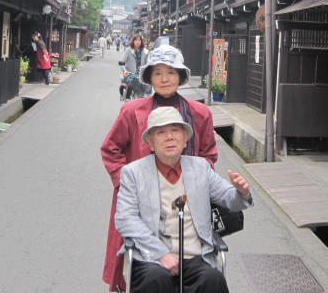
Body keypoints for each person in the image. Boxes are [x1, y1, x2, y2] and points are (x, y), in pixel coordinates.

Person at [101, 44, 218, 292]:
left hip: (185, 200)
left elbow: (208, 154)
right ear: (149, 78)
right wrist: (127, 185)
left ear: (181, 76)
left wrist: (198, 182)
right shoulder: (132, 111)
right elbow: (111, 149)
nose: (164, 79)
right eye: (157, 73)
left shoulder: (200, 113)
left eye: (171, 72)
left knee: (207, 276)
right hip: (143, 200)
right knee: (147, 267)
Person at [116, 107, 251, 293]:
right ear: (150, 142)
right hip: (151, 257)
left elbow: (230, 199)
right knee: (156, 279)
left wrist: (241, 192)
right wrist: (161, 254)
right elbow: (125, 218)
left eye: (175, 130)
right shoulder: (133, 173)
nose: (169, 137)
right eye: (161, 132)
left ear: (185, 138)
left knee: (212, 279)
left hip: (195, 256)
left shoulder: (200, 168)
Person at [118, 34, 148, 100]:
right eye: (136, 40)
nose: (138, 42)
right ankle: (126, 98)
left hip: (141, 75)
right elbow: (121, 62)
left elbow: (148, 64)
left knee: (145, 92)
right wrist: (124, 70)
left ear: (141, 42)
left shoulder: (145, 52)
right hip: (130, 74)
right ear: (133, 41)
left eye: (139, 40)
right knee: (130, 86)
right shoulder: (129, 51)